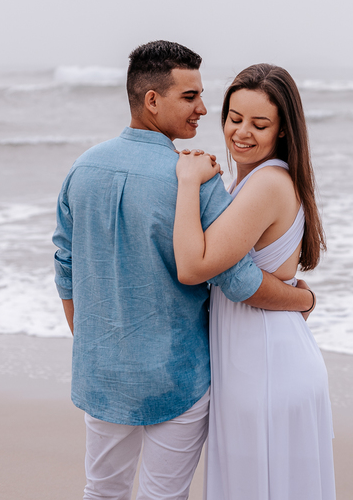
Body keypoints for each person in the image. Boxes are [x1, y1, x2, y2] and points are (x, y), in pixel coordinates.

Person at [52, 41, 316, 500]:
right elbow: (236, 280)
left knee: (102, 491)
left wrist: (92, 341)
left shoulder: (83, 168)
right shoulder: (192, 179)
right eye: (190, 96)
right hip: (177, 377)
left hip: (101, 371)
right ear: (152, 100)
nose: (202, 109)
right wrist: (302, 298)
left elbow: (65, 263)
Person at [173, 63, 335, 500]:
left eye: (260, 124)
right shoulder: (252, 181)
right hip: (260, 357)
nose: (242, 132)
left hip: (265, 367)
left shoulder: (267, 183)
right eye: (234, 118)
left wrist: (188, 183)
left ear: (283, 130)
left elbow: (193, 266)